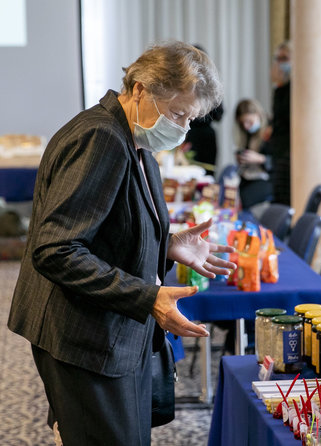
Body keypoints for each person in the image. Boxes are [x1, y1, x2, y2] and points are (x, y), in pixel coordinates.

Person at [7, 42, 236, 445]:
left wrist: (167, 243)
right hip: (82, 336)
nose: (183, 129)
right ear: (141, 89)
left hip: (105, 330)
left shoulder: (135, 138)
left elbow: (109, 227)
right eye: (179, 113)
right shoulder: (101, 138)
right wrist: (147, 297)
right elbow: (55, 248)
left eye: (191, 119)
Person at [181, 44, 224, 175]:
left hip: (205, 136)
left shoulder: (212, 83)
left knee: (208, 172)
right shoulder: (182, 82)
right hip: (190, 133)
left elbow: (219, 114)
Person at [233, 98, 274, 214]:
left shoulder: (271, 131)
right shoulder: (248, 134)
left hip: (268, 179)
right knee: (231, 195)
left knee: (244, 199)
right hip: (249, 177)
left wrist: (261, 159)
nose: (246, 127)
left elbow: (279, 162)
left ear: (258, 115)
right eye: (242, 123)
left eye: (249, 122)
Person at [267, 41, 292, 206]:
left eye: (284, 58)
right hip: (277, 152)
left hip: (288, 153)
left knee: (284, 200)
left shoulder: (294, 90)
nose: (279, 62)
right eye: (277, 58)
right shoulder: (280, 89)